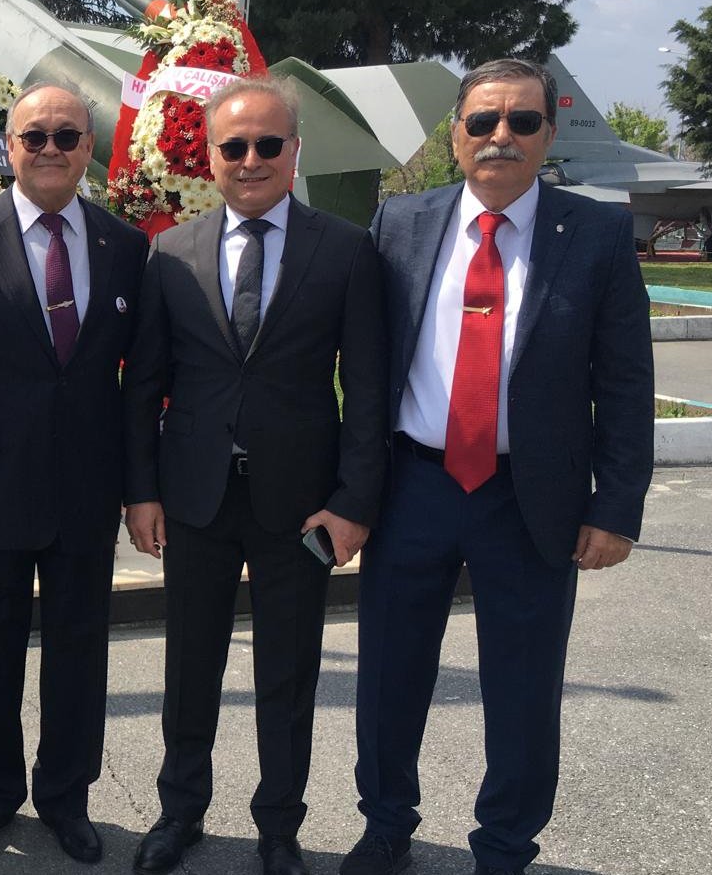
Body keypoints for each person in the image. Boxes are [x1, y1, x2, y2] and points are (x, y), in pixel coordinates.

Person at [338, 58, 654, 875]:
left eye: (521, 121)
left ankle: (506, 845)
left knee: (523, 685)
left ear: (548, 133)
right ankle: (386, 824)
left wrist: (616, 505)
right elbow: (367, 369)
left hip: (530, 498)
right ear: (456, 135)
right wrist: (351, 491)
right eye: (482, 121)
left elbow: (625, 381)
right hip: (413, 486)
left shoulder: (596, 235)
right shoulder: (400, 221)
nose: (500, 136)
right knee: (390, 673)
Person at [123, 77, 389, 875]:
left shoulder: (345, 250)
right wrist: (141, 491)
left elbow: (367, 390)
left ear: (293, 152)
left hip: (300, 505)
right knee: (189, 667)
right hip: (195, 497)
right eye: (233, 146)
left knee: (288, 673)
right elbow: (144, 384)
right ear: (210, 156)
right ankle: (180, 813)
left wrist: (353, 503)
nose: (250, 160)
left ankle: (279, 828)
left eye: (267, 144)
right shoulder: (171, 252)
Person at [0, 82, 148, 864]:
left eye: (67, 136)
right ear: (9, 147)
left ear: (88, 148)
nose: (50, 149)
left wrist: (140, 489)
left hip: (87, 487)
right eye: (34, 136)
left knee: (80, 650)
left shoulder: (123, 246)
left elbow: (138, 384)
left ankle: (66, 796)